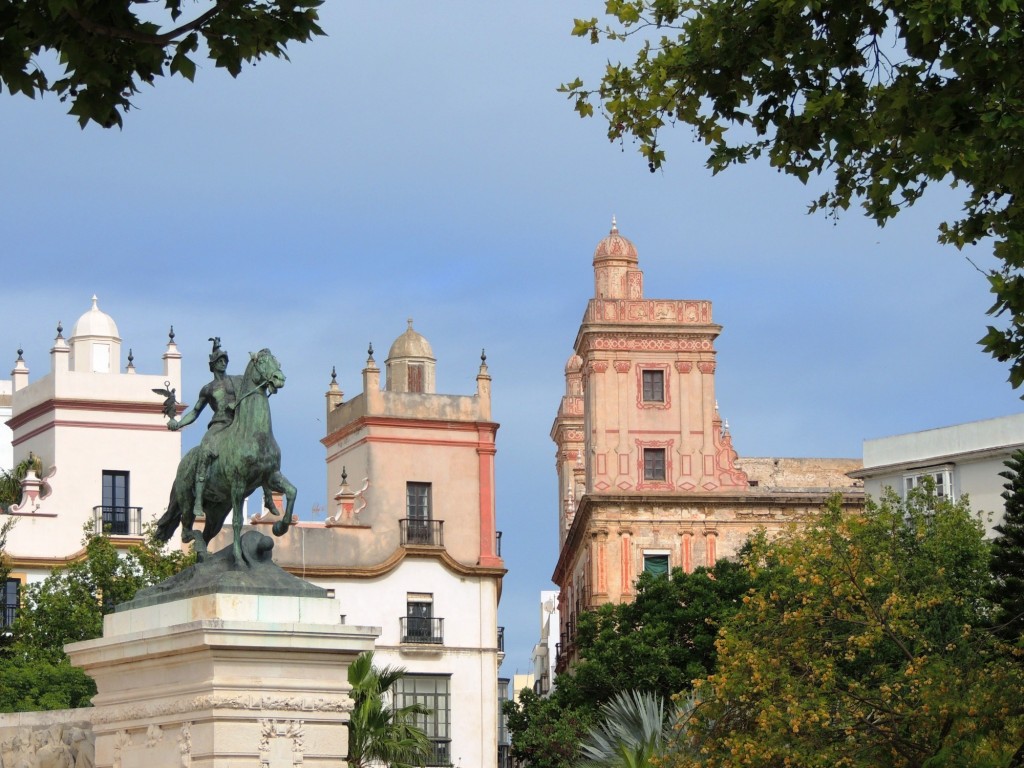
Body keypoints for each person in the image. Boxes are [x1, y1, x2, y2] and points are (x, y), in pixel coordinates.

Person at [168, 337, 239, 518]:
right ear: (213, 365)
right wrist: (178, 423)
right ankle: (198, 499)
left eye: (225, 361)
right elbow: (195, 412)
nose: (223, 364)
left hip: (236, 423)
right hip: (218, 425)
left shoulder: (235, 381)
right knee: (205, 451)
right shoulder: (207, 389)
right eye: (219, 361)